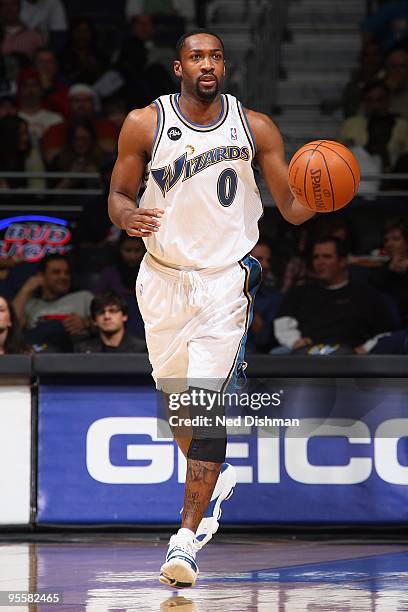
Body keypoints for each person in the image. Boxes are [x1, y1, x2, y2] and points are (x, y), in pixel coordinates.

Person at [108, 30, 315, 589]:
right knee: (180, 406)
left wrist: (321, 194)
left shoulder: (256, 127)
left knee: (206, 413)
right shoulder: (144, 123)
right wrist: (127, 218)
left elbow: (292, 210)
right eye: (197, 57)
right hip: (162, 280)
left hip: (226, 284)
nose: (208, 64)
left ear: (224, 66)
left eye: (216, 57)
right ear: (179, 67)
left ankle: (185, 541)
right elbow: (118, 195)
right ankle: (214, 477)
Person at [273, 236, 395, 355]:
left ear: (342, 261)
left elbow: (385, 332)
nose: (320, 262)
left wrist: (365, 349)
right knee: (277, 354)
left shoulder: (366, 294)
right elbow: (283, 321)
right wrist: (294, 341)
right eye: (316, 257)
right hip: (308, 355)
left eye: (327, 257)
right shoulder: (300, 292)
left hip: (352, 359)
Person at [12, 254, 93, 351]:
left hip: (76, 349)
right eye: (56, 272)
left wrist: (85, 323)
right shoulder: (30, 304)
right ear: (41, 276)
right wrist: (26, 290)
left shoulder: (84, 297)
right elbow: (10, 326)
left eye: (67, 273)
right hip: (41, 350)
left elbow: (106, 322)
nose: (63, 276)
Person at [94, 233, 146, 339]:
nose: (132, 256)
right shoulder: (108, 274)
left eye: (137, 251)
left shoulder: (151, 274)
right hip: (115, 324)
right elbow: (98, 302)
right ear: (119, 250)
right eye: (128, 250)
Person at [74, 290, 146, 353]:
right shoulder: (83, 351)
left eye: (113, 311)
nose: (107, 316)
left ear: (124, 316)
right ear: (94, 320)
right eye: (101, 312)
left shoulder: (142, 349)